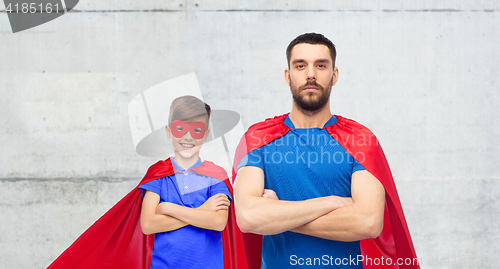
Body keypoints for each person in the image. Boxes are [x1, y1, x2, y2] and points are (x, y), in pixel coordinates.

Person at [232, 33, 420, 269]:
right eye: (301, 66)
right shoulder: (259, 138)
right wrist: (332, 202)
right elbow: (248, 217)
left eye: (321, 65)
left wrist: (278, 216)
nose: (311, 74)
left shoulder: (360, 140)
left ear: (335, 75)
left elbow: (368, 222)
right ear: (288, 76)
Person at [47, 95, 245, 269]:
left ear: (206, 134)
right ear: (169, 131)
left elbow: (218, 222)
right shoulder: (159, 174)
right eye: (180, 128)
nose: (188, 137)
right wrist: (202, 211)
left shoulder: (215, 175)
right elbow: (149, 223)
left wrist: (168, 208)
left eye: (197, 130)